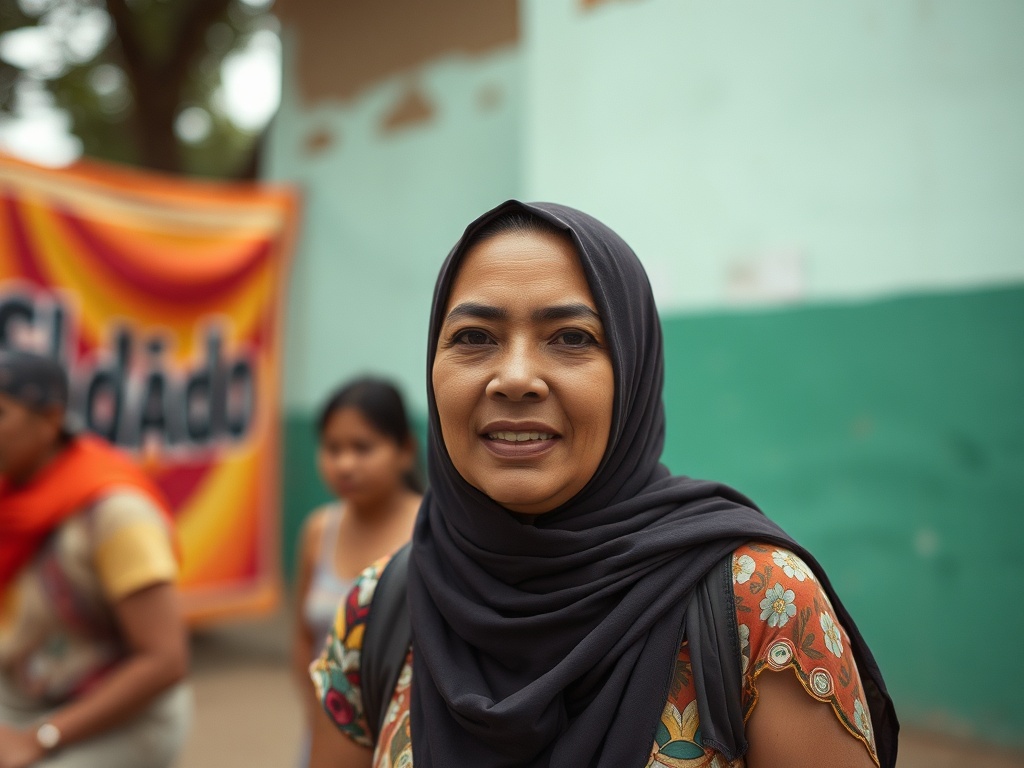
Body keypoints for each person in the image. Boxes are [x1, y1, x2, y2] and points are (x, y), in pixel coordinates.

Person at [308, 201, 899, 767]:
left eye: (571, 337)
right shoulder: (379, 607)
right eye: (474, 337)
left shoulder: (762, 601)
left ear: (632, 371)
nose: (515, 378)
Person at [0, 349, 190, 768]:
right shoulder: (12, 493)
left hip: (121, 719)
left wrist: (41, 737)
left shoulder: (116, 514)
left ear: (50, 420)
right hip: (27, 693)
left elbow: (165, 661)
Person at [291, 377, 422, 765]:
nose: (345, 464)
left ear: (404, 450)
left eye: (362, 448)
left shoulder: (429, 532)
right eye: (333, 449)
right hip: (328, 732)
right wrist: (322, 720)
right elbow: (302, 639)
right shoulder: (319, 531)